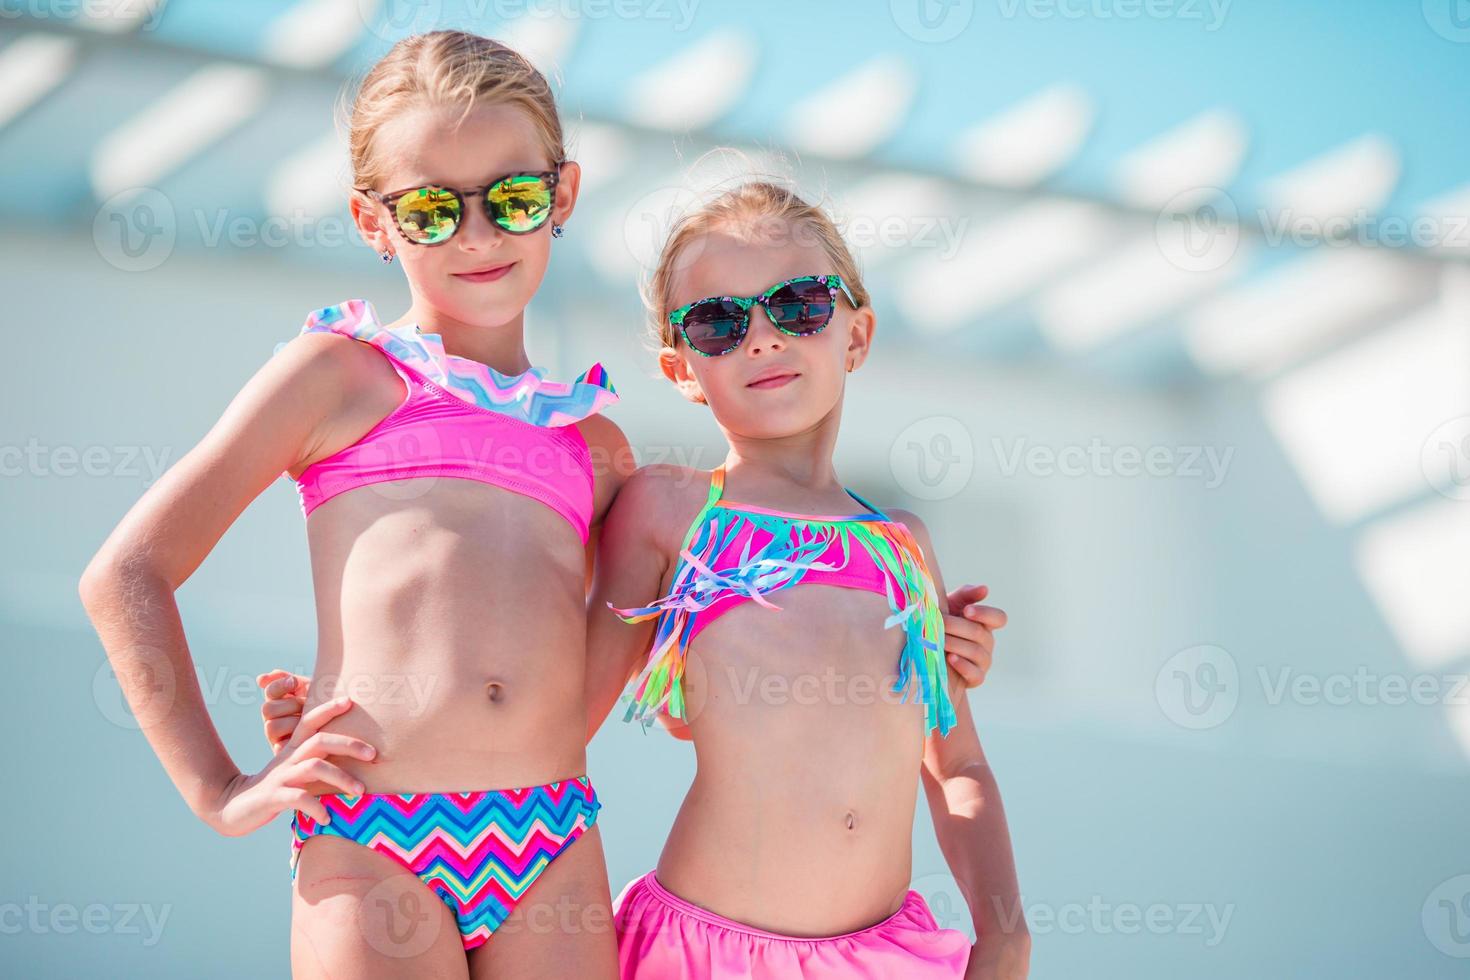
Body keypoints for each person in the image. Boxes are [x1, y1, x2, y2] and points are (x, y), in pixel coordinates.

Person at [79, 30, 626, 979]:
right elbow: (126, 573)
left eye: (515, 198)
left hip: (554, 839)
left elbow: (682, 625)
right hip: (377, 831)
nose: (479, 234)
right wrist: (221, 793)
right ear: (375, 225)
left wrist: (918, 631)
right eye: (430, 210)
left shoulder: (594, 445)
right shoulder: (338, 378)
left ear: (562, 197)